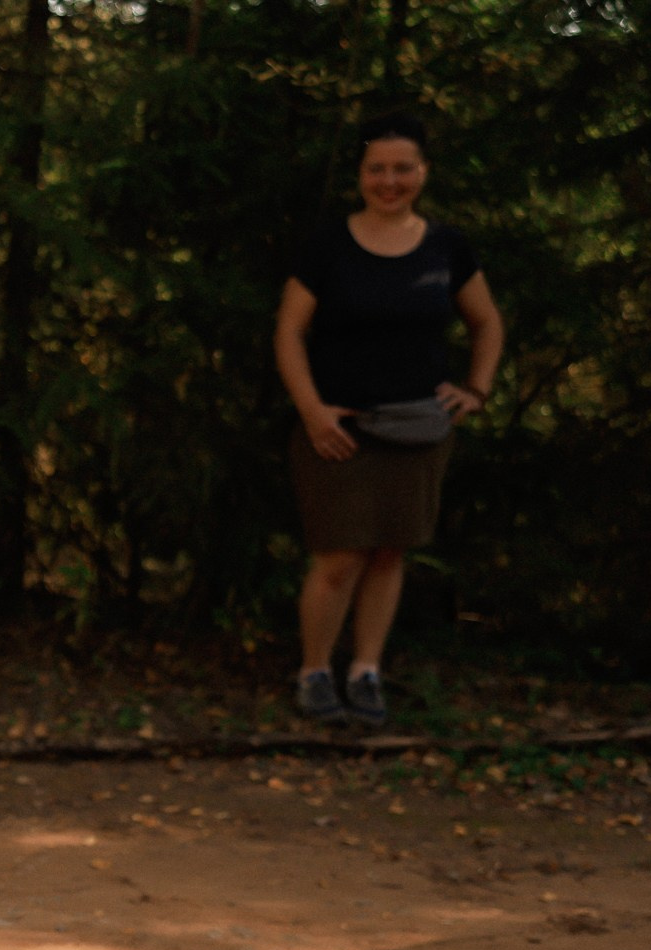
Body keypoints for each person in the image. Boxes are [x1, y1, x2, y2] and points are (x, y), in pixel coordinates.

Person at [275, 111, 502, 728]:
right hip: (339, 430)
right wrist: (313, 411)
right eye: (378, 168)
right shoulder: (328, 245)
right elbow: (290, 332)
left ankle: (366, 671)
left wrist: (475, 390)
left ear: (423, 172)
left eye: (403, 168)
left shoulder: (447, 247)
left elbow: (487, 322)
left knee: (387, 554)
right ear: (361, 175)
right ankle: (315, 671)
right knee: (338, 558)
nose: (390, 180)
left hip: (419, 430)